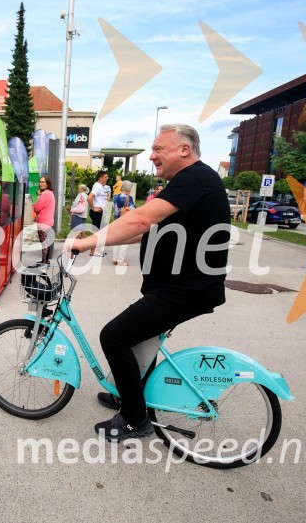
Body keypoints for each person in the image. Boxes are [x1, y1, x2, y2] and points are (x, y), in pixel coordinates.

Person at [66, 124, 231, 441]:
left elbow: (141, 218)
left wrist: (87, 243)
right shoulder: (189, 183)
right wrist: (105, 240)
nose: (152, 156)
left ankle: (133, 420)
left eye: (159, 149)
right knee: (143, 340)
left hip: (184, 290)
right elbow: (145, 229)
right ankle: (128, 396)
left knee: (114, 337)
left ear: (184, 149)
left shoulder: (194, 178)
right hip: (176, 287)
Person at [110, 181, 136, 266]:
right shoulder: (129, 198)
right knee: (125, 242)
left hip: (117, 221)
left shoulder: (116, 197)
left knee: (117, 241)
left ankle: (114, 259)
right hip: (125, 222)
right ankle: (120, 261)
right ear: (128, 189)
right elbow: (133, 210)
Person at [32, 176, 56, 264]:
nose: (40, 184)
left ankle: (44, 262)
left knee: (44, 243)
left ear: (47, 183)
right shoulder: (50, 193)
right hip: (49, 221)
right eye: (40, 182)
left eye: (43, 182)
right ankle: (46, 261)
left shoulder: (45, 194)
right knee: (46, 242)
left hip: (43, 221)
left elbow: (37, 208)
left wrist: (35, 205)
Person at [87, 170, 109, 256]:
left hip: (98, 211)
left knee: (98, 231)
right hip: (97, 212)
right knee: (96, 232)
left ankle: (97, 249)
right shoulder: (98, 186)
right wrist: (93, 208)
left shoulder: (98, 185)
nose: (107, 178)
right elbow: (89, 198)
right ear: (100, 178)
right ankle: (93, 251)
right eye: (105, 177)